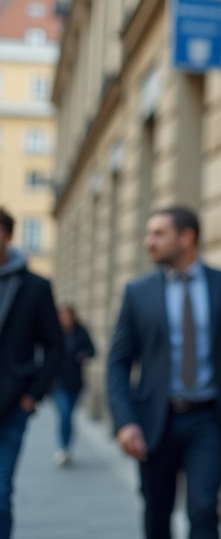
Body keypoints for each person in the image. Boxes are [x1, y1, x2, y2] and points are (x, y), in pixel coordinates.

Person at [107, 205, 221, 539]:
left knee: (204, 508)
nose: (149, 242)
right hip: (155, 420)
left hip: (208, 418)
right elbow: (118, 361)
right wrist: (125, 420)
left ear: (186, 237)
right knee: (157, 514)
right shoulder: (137, 292)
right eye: (148, 234)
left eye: (158, 234)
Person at [0, 208, 64, 539]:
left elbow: (54, 345)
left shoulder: (35, 286)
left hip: (11, 406)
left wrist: (31, 397)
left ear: (7, 236)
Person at [50, 303, 96, 467]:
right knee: (64, 413)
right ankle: (63, 448)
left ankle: (67, 447)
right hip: (57, 383)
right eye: (62, 316)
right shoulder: (53, 332)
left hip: (75, 382)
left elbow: (92, 351)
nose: (65, 319)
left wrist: (83, 355)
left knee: (69, 415)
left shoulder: (81, 332)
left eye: (67, 316)